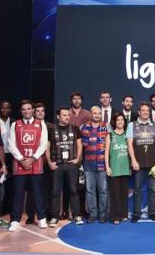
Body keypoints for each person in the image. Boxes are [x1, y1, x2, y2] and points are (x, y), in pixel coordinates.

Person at [7, 100, 49, 232]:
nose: (26, 111)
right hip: (19, 164)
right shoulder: (15, 124)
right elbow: (11, 144)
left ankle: (41, 218)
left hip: (35, 163)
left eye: (29, 109)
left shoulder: (41, 124)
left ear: (32, 110)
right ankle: (15, 220)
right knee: (18, 193)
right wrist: (21, 159)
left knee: (38, 193)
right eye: (24, 109)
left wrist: (33, 158)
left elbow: (43, 144)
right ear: (21, 111)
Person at [45, 107, 83, 227]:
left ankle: (76, 215)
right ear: (58, 117)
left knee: (73, 190)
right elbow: (47, 147)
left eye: (68, 115)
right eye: (64, 115)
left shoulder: (75, 128)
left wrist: (77, 159)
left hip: (71, 165)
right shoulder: (51, 129)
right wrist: (50, 163)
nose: (67, 117)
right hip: (58, 165)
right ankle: (54, 216)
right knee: (56, 191)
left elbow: (79, 144)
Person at [127, 102, 155, 222]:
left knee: (152, 189)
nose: (145, 113)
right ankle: (136, 214)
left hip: (153, 164)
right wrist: (133, 161)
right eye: (143, 110)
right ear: (138, 112)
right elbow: (129, 144)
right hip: (138, 164)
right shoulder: (131, 125)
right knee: (137, 189)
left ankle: (152, 212)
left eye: (147, 111)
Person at [80, 106, 109, 223]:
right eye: (95, 113)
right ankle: (92, 213)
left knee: (103, 191)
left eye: (99, 113)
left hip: (102, 164)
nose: (97, 115)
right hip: (88, 164)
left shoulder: (106, 127)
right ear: (90, 114)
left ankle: (102, 214)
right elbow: (81, 146)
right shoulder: (84, 127)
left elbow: (109, 146)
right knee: (90, 191)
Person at [66, 92, 89, 220]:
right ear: (71, 100)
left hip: (84, 152)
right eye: (74, 98)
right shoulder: (66, 113)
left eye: (79, 98)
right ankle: (68, 211)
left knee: (82, 183)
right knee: (70, 184)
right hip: (68, 152)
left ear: (81, 100)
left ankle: (82, 210)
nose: (76, 100)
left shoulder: (87, 114)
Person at [105, 112, 131, 225]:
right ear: (114, 122)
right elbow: (106, 153)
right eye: (118, 120)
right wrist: (107, 166)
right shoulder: (110, 135)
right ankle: (115, 216)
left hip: (125, 168)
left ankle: (124, 214)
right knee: (115, 194)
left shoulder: (128, 134)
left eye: (122, 120)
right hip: (114, 169)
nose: (120, 122)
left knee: (123, 193)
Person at [0, 100, 14, 216]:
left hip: (12, 156)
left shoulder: (15, 123)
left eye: (7, 108)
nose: (5, 110)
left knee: (11, 183)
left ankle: (9, 208)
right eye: (2, 108)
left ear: (10, 109)